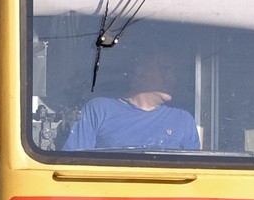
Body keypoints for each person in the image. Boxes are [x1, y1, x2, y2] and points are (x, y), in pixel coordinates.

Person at [62, 53, 199, 151]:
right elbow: (72, 162)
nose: (173, 77)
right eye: (165, 69)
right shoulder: (99, 110)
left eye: (174, 72)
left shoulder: (183, 120)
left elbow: (195, 172)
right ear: (139, 73)